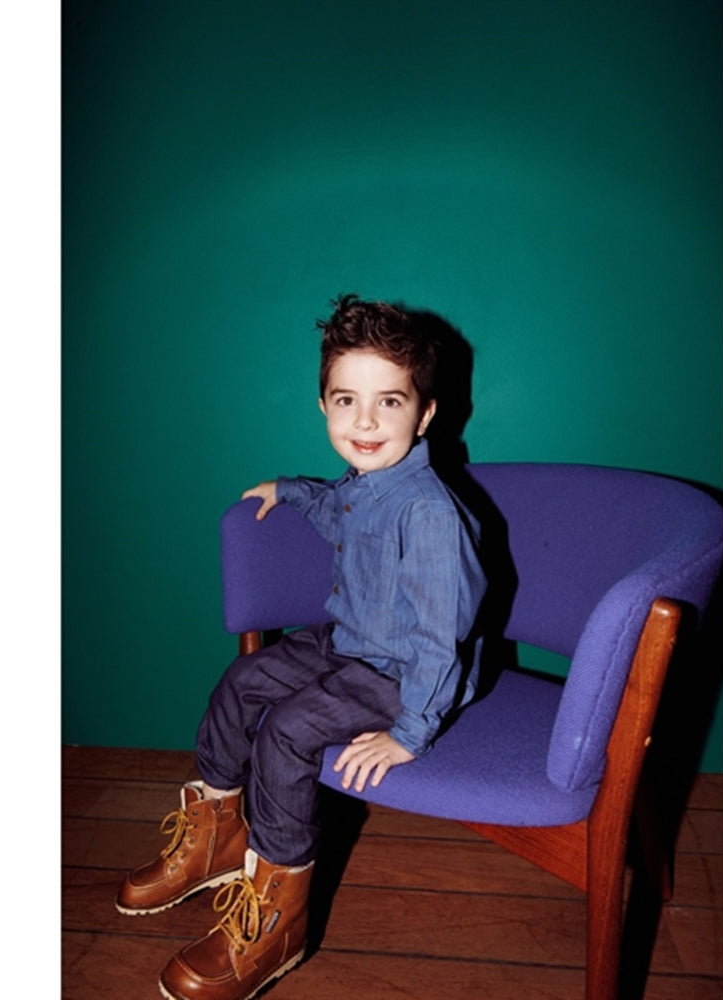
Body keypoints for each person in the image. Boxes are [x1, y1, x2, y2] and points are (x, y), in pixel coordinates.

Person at [116, 294, 487, 1000]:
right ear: (323, 406)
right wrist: (290, 490)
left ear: (425, 414)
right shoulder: (368, 482)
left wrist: (410, 732)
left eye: (389, 402)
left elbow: (441, 639)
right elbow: (336, 509)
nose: (366, 422)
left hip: (405, 672)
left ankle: (278, 915)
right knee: (243, 682)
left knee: (286, 732)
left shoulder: (429, 513)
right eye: (347, 401)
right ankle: (218, 833)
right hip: (349, 642)